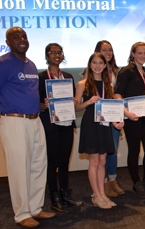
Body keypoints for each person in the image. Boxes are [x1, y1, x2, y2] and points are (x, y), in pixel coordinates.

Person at [0, 26, 56, 228]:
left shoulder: (31, 65)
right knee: (19, 168)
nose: (21, 39)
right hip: (14, 121)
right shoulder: (3, 63)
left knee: (38, 165)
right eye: (16, 37)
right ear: (8, 42)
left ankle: (35, 208)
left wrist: (43, 105)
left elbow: (28, 94)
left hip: (35, 120)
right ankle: (22, 213)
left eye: (24, 36)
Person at [75, 52, 124, 209]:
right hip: (90, 125)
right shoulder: (83, 84)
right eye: (94, 62)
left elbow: (110, 109)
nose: (97, 65)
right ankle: (96, 195)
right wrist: (89, 101)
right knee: (94, 161)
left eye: (100, 63)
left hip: (104, 125)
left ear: (104, 65)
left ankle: (102, 194)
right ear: (90, 64)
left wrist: (116, 123)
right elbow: (76, 108)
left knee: (103, 161)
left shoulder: (108, 84)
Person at [38, 43, 83, 214]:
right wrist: (45, 104)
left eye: (59, 52)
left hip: (66, 123)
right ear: (47, 55)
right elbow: (38, 104)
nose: (57, 55)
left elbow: (71, 100)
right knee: (52, 162)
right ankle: (54, 197)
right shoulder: (41, 77)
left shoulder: (68, 77)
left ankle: (65, 194)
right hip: (51, 125)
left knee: (64, 162)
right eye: (53, 52)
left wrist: (73, 102)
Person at [114, 42, 145, 199]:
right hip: (131, 117)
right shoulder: (126, 71)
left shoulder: (143, 71)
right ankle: (136, 182)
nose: (143, 56)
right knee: (134, 150)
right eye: (139, 53)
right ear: (132, 54)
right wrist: (126, 113)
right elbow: (117, 94)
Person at [94, 40, 124, 198]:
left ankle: (113, 180)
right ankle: (103, 183)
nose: (108, 53)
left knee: (113, 149)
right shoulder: (91, 71)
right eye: (104, 50)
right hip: (99, 118)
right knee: (102, 151)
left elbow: (119, 94)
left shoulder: (117, 71)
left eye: (110, 50)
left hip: (114, 115)